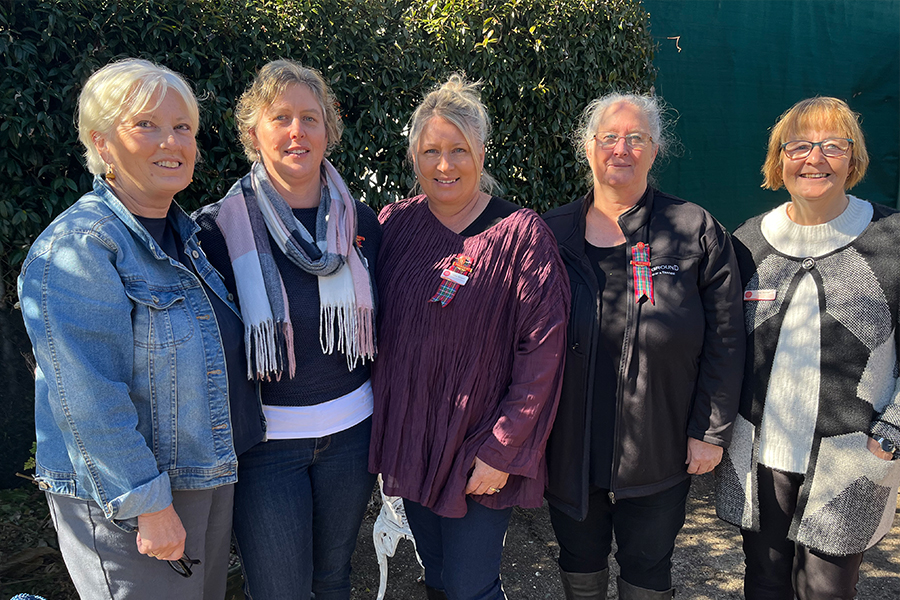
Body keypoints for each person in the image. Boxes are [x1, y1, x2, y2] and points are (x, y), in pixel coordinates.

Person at [18, 58, 263, 599]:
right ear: (102, 143)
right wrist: (147, 504)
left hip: (202, 477)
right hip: (135, 498)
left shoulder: (186, 236)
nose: (170, 141)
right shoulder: (81, 248)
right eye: (146, 125)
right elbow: (88, 396)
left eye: (183, 128)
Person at [368, 75, 570, 600]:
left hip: (481, 444)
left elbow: (541, 353)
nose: (444, 165)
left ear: (481, 151)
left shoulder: (521, 234)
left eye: (458, 149)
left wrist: (503, 448)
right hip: (414, 439)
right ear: (414, 155)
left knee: (469, 586)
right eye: (431, 150)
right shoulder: (394, 225)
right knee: (436, 576)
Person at [542, 92, 745, 600]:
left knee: (648, 565)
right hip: (570, 445)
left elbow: (726, 335)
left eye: (636, 138)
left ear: (655, 151)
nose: (621, 149)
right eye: (609, 137)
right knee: (577, 558)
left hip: (660, 445)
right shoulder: (548, 232)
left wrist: (710, 430)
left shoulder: (694, 229)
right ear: (588, 148)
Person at [193, 59, 380, 600]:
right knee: (278, 590)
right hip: (266, 446)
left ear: (328, 130)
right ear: (254, 132)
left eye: (310, 118)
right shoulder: (216, 231)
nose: (297, 132)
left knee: (333, 579)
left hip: (352, 435)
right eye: (281, 118)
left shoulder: (361, 223)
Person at [715, 97, 900, 600]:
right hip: (759, 453)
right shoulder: (748, 242)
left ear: (853, 159)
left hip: (850, 457)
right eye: (797, 146)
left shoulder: (892, 238)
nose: (813, 158)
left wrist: (891, 432)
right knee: (764, 581)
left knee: (827, 589)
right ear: (778, 160)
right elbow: (721, 343)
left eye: (832, 146)